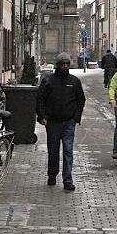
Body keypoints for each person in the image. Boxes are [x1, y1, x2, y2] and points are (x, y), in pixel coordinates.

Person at [36, 52, 86, 191]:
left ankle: (67, 180)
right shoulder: (48, 80)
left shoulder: (74, 81)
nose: (65, 66)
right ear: (57, 65)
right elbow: (40, 99)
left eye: (67, 64)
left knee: (68, 151)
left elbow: (81, 100)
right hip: (52, 122)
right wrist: (42, 116)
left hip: (69, 122)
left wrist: (76, 116)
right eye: (62, 64)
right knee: (53, 151)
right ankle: (52, 175)